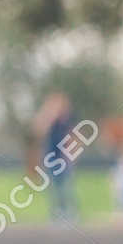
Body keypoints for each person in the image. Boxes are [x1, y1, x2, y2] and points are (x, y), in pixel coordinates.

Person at [31, 90, 79, 226]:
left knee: (66, 188)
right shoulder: (49, 122)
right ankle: (56, 214)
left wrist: (71, 157)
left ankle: (70, 213)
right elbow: (38, 130)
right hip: (51, 159)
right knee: (53, 189)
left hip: (63, 159)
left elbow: (73, 137)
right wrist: (47, 115)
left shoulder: (66, 120)